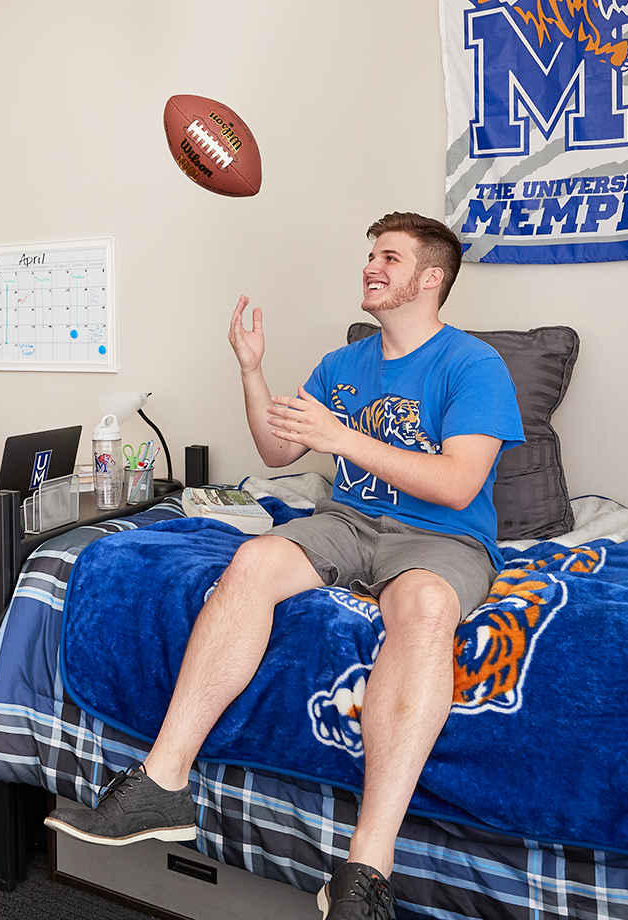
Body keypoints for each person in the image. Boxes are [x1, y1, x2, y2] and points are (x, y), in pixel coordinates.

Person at [45, 213, 524, 919]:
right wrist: (250, 368)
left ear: (431, 278)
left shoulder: (473, 364)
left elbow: (458, 484)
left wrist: (344, 440)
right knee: (255, 559)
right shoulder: (343, 364)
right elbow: (277, 453)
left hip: (439, 536)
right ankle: (163, 781)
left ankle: (367, 868)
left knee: (423, 611)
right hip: (347, 523)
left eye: (389, 258)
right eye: (370, 255)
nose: (371, 267)